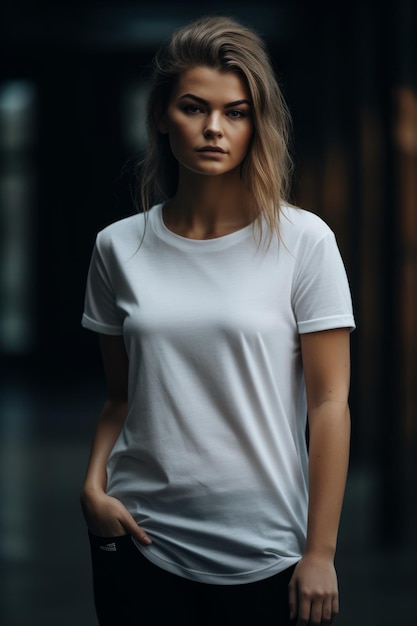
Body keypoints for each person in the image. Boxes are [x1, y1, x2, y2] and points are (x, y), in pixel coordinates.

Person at [80, 14, 355, 626]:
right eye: (193, 107)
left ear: (258, 123)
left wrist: (320, 552)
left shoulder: (303, 241)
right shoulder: (117, 247)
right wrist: (92, 490)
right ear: (161, 115)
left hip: (268, 552)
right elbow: (120, 399)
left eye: (236, 112)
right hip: (138, 542)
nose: (213, 128)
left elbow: (329, 403)